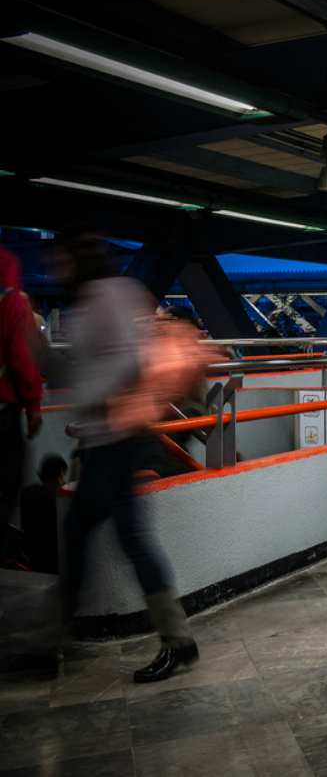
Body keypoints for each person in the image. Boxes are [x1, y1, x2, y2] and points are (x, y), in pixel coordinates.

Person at [53, 233, 198, 683]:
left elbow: (124, 362)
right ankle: (56, 636)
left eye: (59, 259)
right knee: (81, 533)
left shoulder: (106, 298)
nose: (55, 269)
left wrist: (94, 400)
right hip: (106, 440)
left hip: (119, 436)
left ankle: (178, 641)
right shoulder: (112, 296)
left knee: (128, 538)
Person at [1, 245, 44, 563]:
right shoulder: (11, 303)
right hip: (3, 411)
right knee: (7, 484)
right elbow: (22, 359)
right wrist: (33, 407)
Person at [19, 454, 66, 573]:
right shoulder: (59, 498)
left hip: (30, 555)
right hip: (53, 560)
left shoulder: (27, 492)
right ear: (59, 475)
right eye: (63, 475)